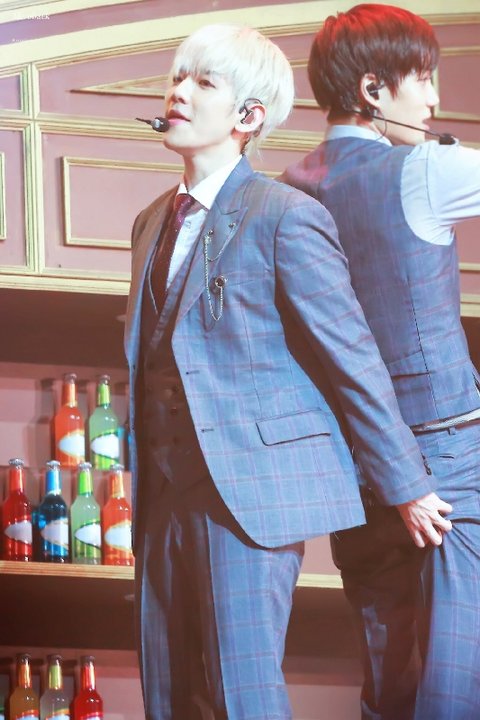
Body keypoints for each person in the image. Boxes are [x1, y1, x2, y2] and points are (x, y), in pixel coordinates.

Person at [124, 22, 450, 720]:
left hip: (246, 498)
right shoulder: (149, 222)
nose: (178, 93)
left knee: (240, 698)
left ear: (248, 116)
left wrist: (407, 485)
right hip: (162, 496)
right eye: (177, 77)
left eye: (203, 82)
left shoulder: (285, 216)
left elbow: (351, 358)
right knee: (171, 698)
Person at [280, 4, 480, 719]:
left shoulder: (285, 189)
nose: (433, 99)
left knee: (391, 679)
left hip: (354, 469)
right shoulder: (426, 169)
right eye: (422, 79)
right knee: (458, 680)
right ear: (372, 90)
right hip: (448, 458)